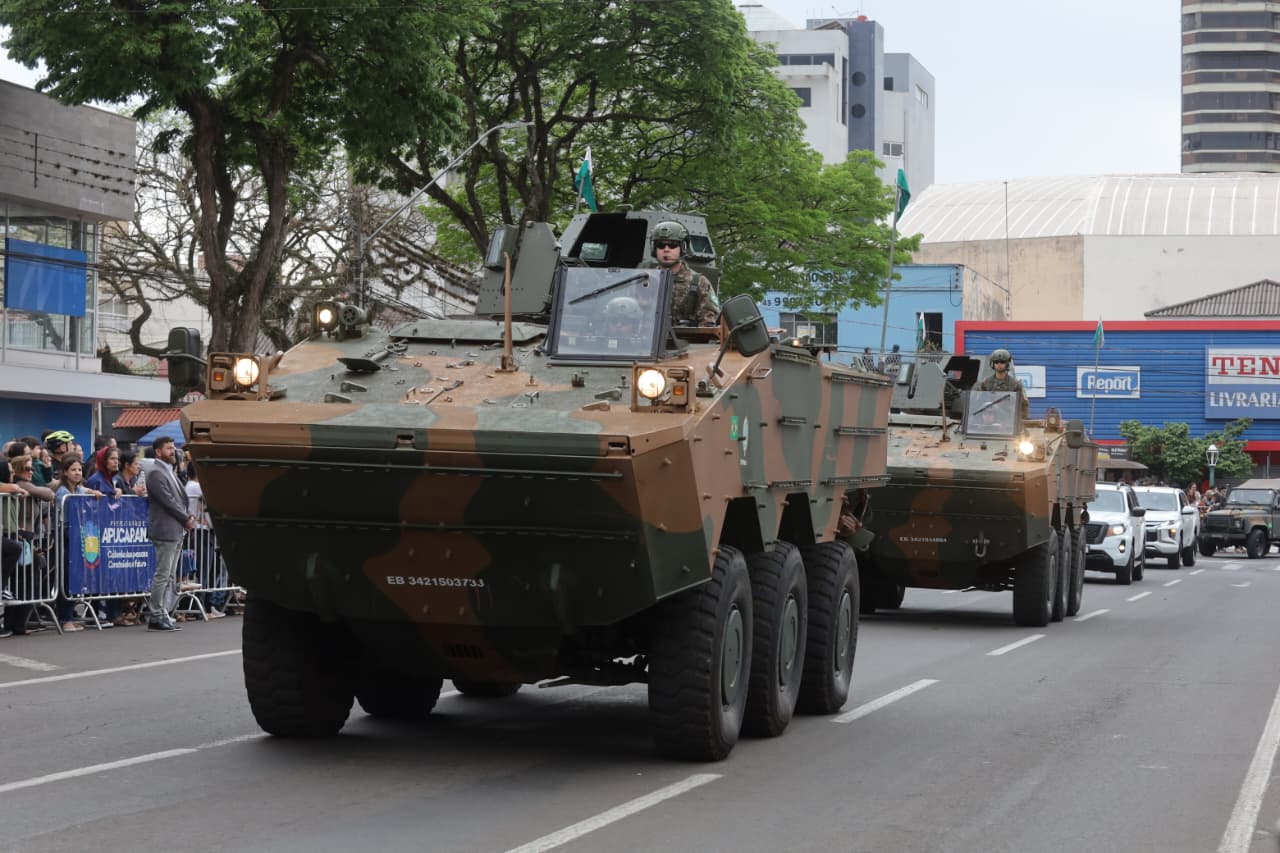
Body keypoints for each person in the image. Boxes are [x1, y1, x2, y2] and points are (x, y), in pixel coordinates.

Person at [144, 436, 195, 632]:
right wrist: (186, 518)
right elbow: (168, 501)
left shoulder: (170, 471)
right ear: (158, 452)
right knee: (163, 575)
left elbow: (180, 498)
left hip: (175, 529)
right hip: (165, 529)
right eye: (168, 448)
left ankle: (162, 612)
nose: (173, 451)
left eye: (173, 448)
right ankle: (156, 615)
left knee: (170, 576)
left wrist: (186, 516)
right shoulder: (156, 473)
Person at [648, 220, 720, 327]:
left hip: (685, 342)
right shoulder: (645, 281)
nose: (666, 250)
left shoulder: (698, 282)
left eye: (672, 245)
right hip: (649, 342)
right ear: (654, 249)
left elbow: (708, 322)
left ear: (682, 248)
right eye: (661, 245)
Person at [976, 348, 1030, 419]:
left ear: (1007, 364)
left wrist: (1022, 421)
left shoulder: (1015, 384)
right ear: (993, 363)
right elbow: (979, 403)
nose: (999, 364)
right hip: (990, 420)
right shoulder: (986, 383)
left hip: (1009, 421)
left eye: (1002, 362)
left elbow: (1024, 404)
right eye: (996, 362)